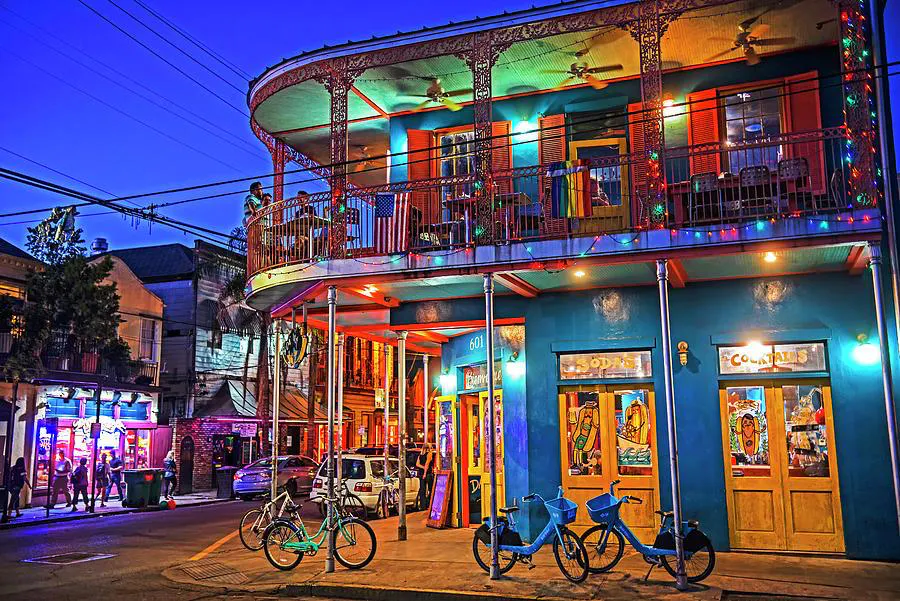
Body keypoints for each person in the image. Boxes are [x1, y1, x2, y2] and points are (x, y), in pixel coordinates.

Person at [415, 443, 435, 510]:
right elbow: (427, 464)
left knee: (422, 490)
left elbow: (417, 464)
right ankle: (428, 503)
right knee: (431, 489)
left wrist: (423, 468)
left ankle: (423, 506)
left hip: (420, 474)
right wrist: (425, 472)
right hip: (428, 474)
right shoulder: (429, 454)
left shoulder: (420, 455)